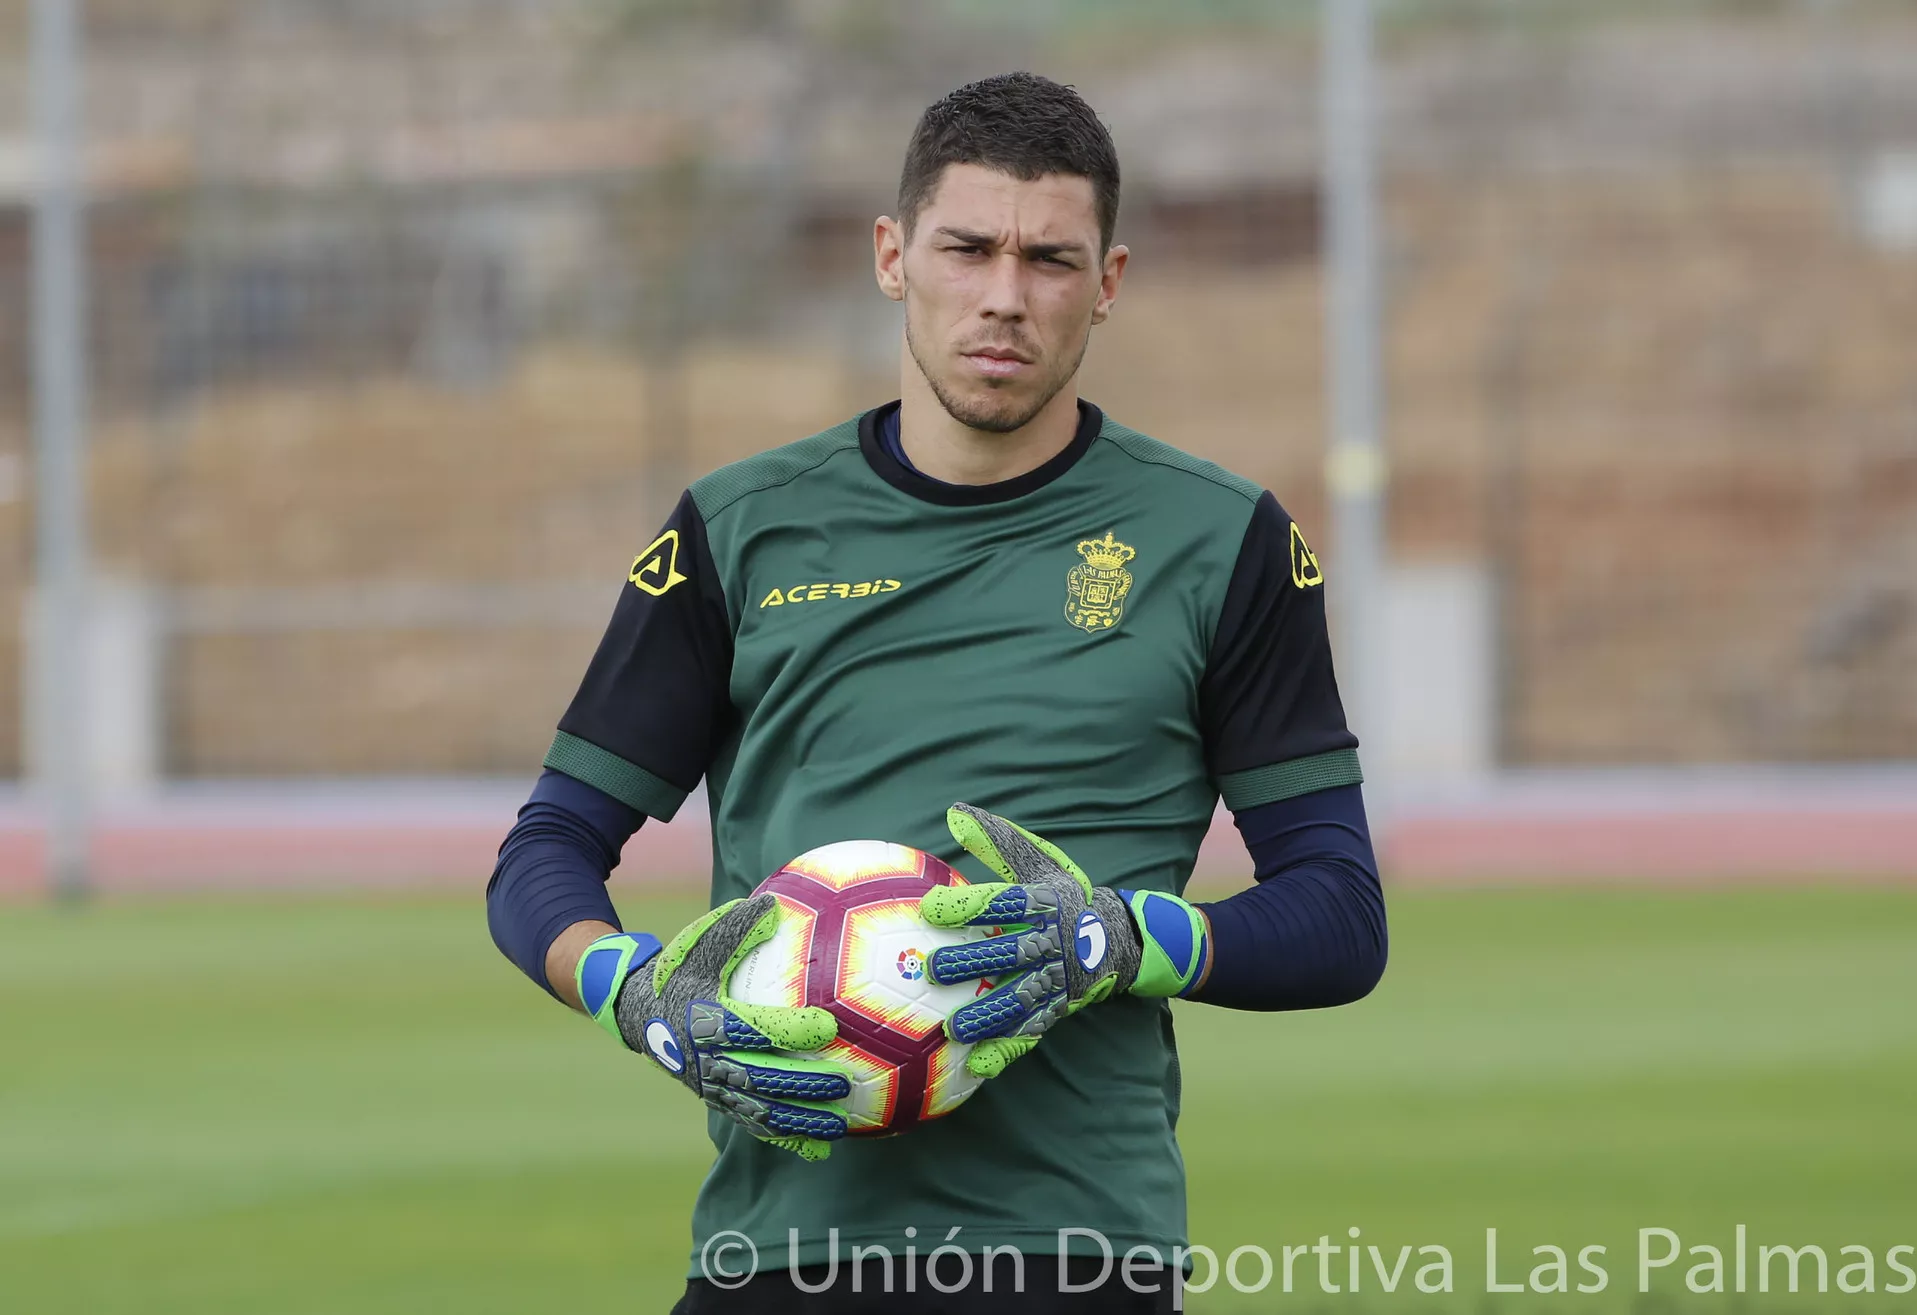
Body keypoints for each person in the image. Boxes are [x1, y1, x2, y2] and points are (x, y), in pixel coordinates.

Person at [487, 71, 1387, 1313]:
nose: (1005, 297)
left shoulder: (1218, 539)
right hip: (777, 1250)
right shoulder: (741, 529)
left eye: (1051, 260)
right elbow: (546, 849)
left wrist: (1123, 941)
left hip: (1078, 1251)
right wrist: (635, 994)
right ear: (893, 255)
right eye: (967, 248)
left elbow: (1341, 910)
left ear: (1109, 283)